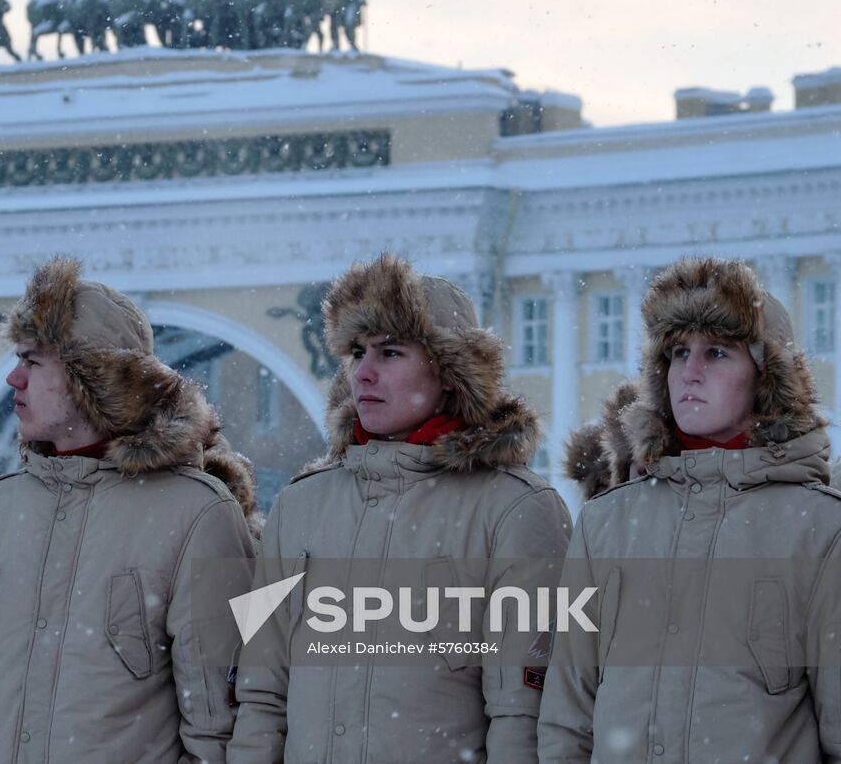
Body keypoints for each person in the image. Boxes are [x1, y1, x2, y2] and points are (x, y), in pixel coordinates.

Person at [228, 254, 571, 763]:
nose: (363, 373)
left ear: (451, 372)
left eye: (390, 353)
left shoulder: (516, 510)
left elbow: (522, 713)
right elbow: (260, 692)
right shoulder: (300, 505)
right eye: (358, 352)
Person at [0, 257, 259, 764]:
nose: (13, 379)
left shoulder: (197, 514)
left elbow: (219, 728)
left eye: (34, 361)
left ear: (96, 379)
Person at [539, 257, 841, 763]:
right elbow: (567, 720)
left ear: (766, 378)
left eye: (717, 352)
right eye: (678, 353)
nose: (690, 373)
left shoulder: (819, 530)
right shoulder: (606, 524)